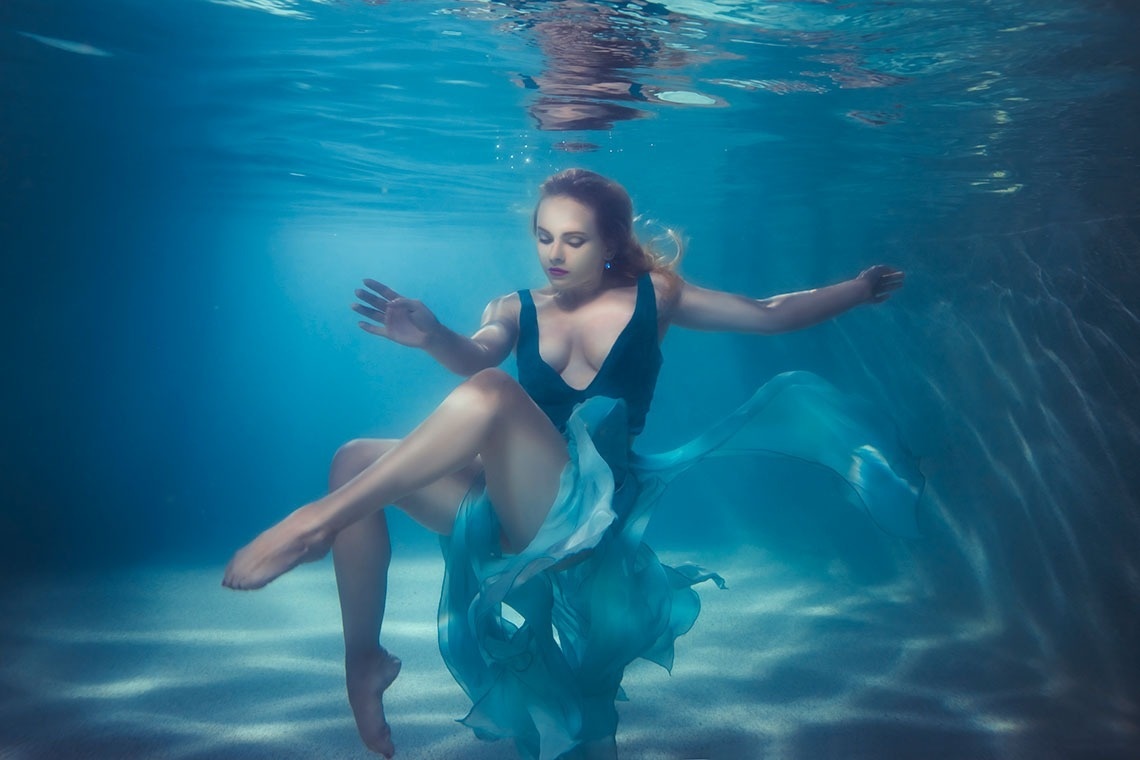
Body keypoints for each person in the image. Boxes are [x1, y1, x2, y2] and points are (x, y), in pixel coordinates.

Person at [222, 168, 919, 760]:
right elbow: (475, 357)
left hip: (591, 520)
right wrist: (434, 335)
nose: (554, 254)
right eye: (544, 236)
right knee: (354, 460)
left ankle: (313, 526)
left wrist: (856, 290)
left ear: (614, 241)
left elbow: (769, 313)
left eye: (575, 239)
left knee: (494, 396)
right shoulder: (516, 306)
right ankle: (363, 662)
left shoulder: (658, 297)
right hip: (518, 507)